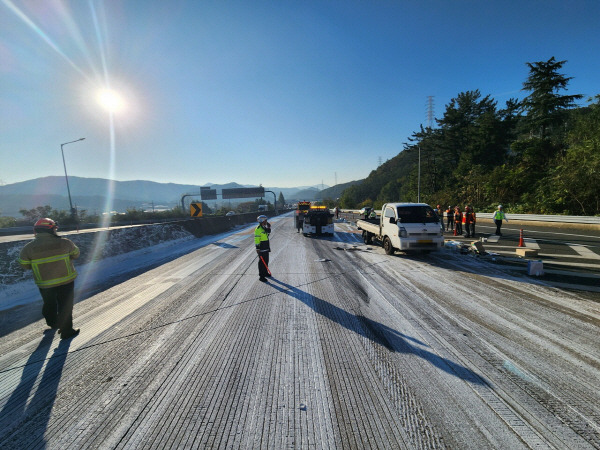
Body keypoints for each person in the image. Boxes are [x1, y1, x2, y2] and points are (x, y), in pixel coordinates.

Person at [18, 218, 80, 339]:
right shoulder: (65, 242)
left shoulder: (28, 248)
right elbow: (76, 254)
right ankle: (66, 330)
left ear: (36, 231)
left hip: (45, 283)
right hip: (65, 280)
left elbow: (24, 265)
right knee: (65, 304)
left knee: (49, 303)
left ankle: (52, 323)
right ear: (52, 229)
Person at [255, 215, 271, 282]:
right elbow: (256, 239)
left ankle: (265, 272)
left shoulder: (264, 227)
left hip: (266, 246)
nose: (266, 221)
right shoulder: (258, 229)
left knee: (266, 261)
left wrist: (268, 227)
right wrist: (257, 248)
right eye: (265, 220)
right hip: (261, 248)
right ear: (262, 221)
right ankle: (261, 276)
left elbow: (268, 232)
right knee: (261, 262)